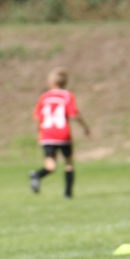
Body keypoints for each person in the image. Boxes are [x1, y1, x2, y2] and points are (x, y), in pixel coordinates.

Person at [29, 67, 91, 199]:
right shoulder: (67, 95)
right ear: (65, 83)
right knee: (68, 164)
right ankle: (68, 194)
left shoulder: (44, 97)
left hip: (47, 135)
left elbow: (37, 117)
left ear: (50, 83)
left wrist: (39, 131)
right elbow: (74, 115)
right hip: (63, 135)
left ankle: (37, 175)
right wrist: (85, 127)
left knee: (51, 166)